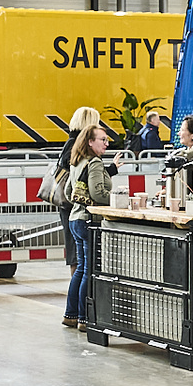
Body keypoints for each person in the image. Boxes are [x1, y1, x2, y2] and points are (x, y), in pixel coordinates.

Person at [60, 123, 112, 330]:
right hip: (90, 221)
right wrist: (117, 199)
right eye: (102, 140)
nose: (106, 144)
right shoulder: (95, 163)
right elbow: (99, 194)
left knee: (81, 269)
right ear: (90, 142)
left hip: (75, 219)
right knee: (89, 270)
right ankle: (84, 318)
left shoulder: (76, 162)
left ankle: (71, 314)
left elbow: (67, 192)